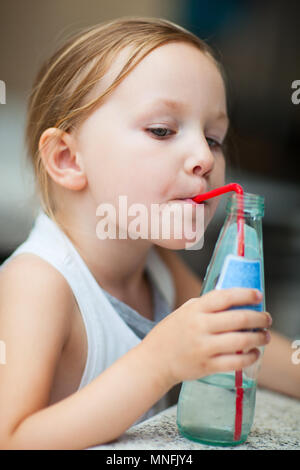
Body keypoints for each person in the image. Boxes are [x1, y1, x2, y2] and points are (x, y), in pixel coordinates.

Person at [0, 17, 298, 450]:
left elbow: (244, 343)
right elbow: (11, 439)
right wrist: (156, 364)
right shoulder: (37, 284)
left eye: (214, 138)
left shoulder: (159, 270)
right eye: (162, 130)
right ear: (67, 158)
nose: (203, 157)